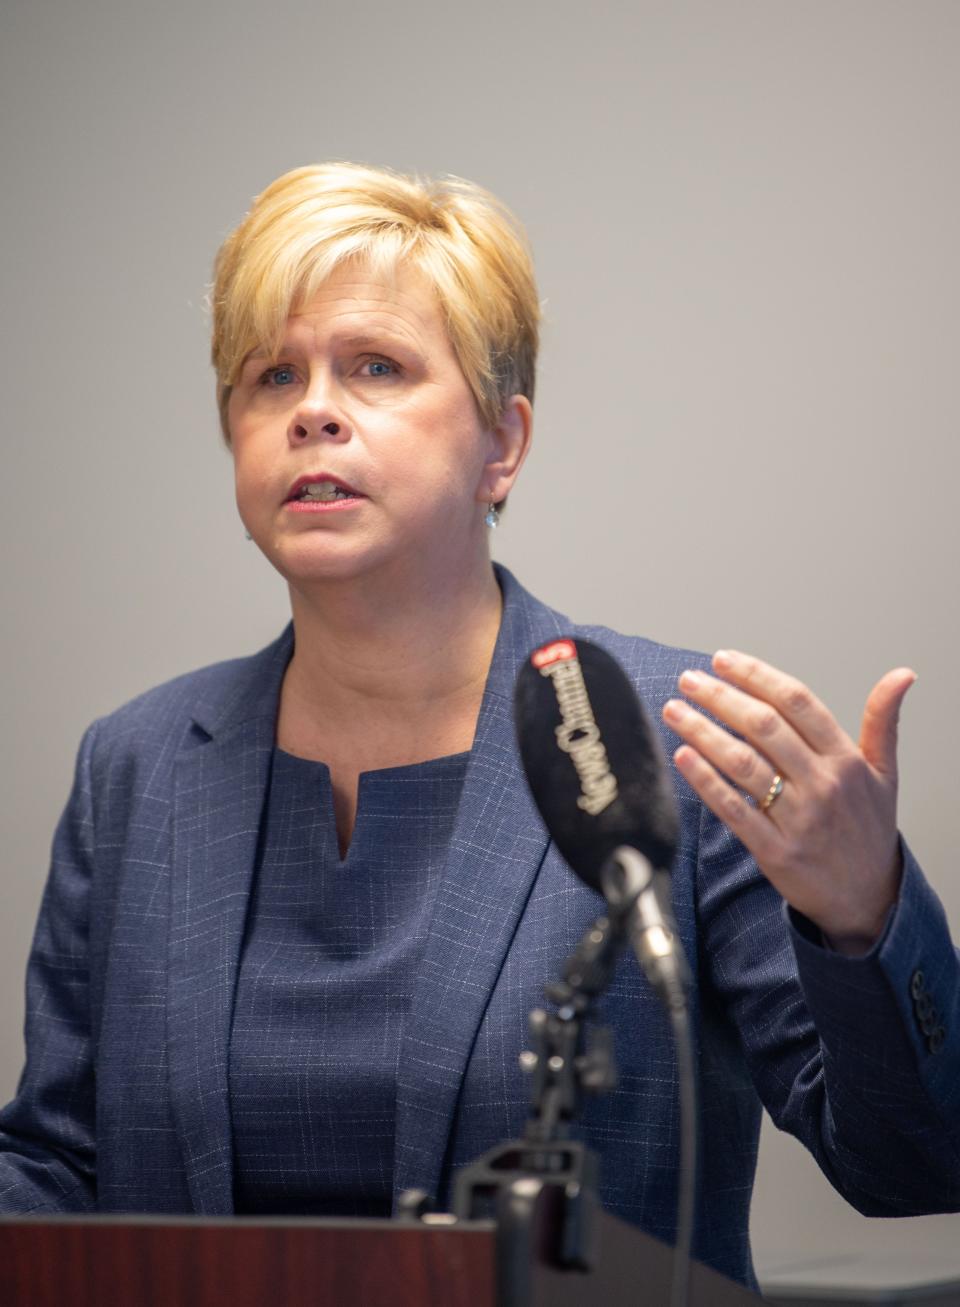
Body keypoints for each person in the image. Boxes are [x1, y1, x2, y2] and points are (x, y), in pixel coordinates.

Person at [0, 162, 957, 1291]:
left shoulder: (666, 742)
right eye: (270, 376)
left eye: (375, 366)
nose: (313, 407)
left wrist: (861, 916)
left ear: (501, 445)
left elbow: (912, 1162)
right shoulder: (140, 766)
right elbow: (58, 1164)